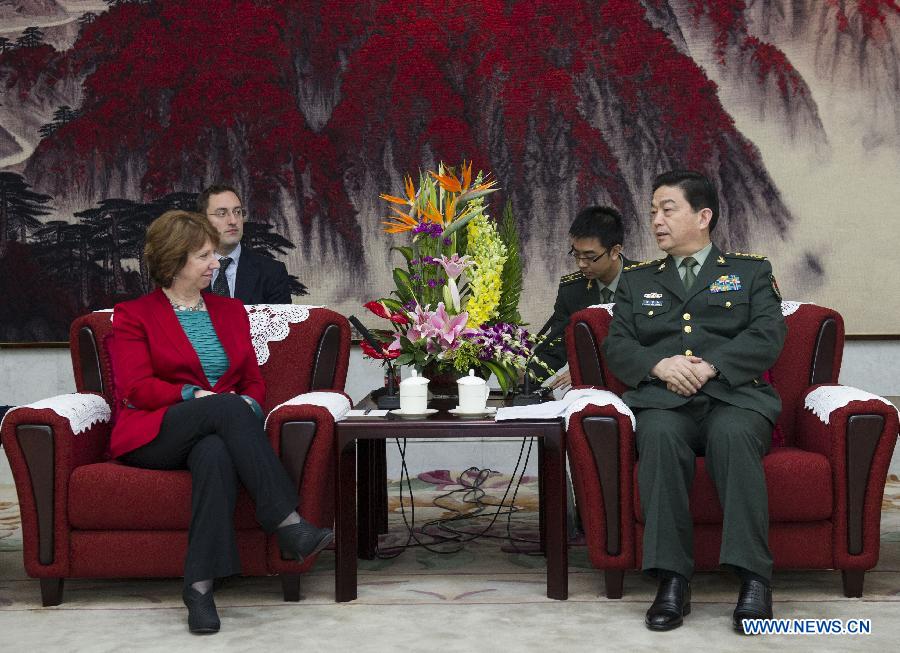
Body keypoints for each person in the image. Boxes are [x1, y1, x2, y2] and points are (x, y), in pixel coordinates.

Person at [111, 210, 332, 634]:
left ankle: (198, 590)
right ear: (175, 263)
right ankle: (287, 522)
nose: (216, 263)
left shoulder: (230, 312)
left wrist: (247, 404)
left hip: (215, 429)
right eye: (204, 256)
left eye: (214, 254)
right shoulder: (134, 315)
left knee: (214, 452)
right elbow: (136, 387)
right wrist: (196, 396)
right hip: (156, 432)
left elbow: (251, 380)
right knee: (225, 407)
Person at [603, 170, 786, 634]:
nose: (656, 221)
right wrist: (658, 366)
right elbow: (619, 345)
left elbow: (768, 334)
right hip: (665, 401)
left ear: (703, 216)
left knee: (734, 434)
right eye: (652, 212)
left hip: (735, 398)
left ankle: (753, 578)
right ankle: (672, 579)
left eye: (668, 209)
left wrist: (712, 366)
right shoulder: (636, 280)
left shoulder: (750, 271)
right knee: (659, 438)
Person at [532, 205, 632, 389]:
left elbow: (649, 345)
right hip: (592, 393)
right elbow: (557, 347)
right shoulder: (572, 290)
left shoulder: (645, 281)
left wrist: (588, 370)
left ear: (615, 251)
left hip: (636, 386)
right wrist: (527, 376)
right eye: (576, 254)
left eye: (589, 256)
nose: (581, 264)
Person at [196, 184, 293, 303]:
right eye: (222, 213)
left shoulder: (272, 272)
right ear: (203, 220)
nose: (233, 221)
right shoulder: (188, 271)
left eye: (237, 212)